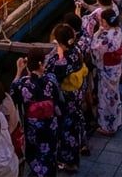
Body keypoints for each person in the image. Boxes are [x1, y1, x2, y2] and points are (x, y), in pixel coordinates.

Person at [10, 50, 62, 177]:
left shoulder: (23, 84)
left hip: (33, 127)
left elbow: (12, 93)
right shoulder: (51, 79)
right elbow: (58, 99)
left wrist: (18, 71)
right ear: (41, 63)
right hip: (50, 124)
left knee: (34, 154)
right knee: (49, 153)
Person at [46, 24, 86, 171]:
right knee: (73, 127)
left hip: (65, 100)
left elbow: (49, 76)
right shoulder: (76, 50)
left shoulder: (59, 62)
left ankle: (67, 161)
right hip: (76, 95)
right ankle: (74, 158)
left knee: (65, 130)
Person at [91, 8, 122, 136]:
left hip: (107, 69)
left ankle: (108, 127)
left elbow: (94, 47)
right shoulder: (117, 30)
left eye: (102, 21)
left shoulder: (105, 36)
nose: (101, 23)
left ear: (106, 21)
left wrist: (97, 33)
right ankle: (116, 121)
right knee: (114, 94)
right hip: (115, 67)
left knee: (106, 96)